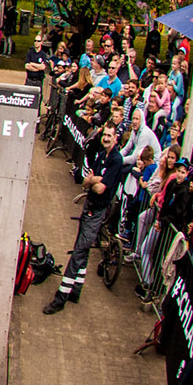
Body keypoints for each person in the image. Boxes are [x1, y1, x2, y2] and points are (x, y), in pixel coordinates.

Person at [45, 125, 131, 313]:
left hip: (99, 210)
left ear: (116, 139)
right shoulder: (101, 154)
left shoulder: (116, 160)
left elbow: (101, 189)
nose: (106, 138)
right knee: (81, 249)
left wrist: (93, 182)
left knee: (78, 253)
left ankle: (61, 297)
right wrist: (93, 180)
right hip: (89, 206)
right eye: (104, 135)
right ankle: (76, 290)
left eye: (109, 135)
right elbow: (85, 181)